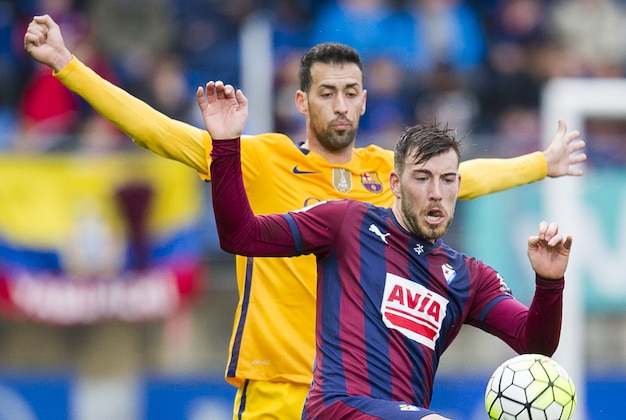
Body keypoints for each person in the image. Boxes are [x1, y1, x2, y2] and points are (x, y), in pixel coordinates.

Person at [24, 14, 585, 419]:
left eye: (350, 93)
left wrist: (540, 163)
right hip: (278, 386)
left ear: (365, 101)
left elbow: (467, 178)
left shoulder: (386, 173)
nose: (340, 105)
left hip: (367, 392)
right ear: (301, 102)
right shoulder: (260, 158)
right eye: (327, 93)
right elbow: (158, 132)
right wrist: (69, 67)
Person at [198, 79, 572, 419]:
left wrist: (549, 282)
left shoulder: (468, 277)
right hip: (338, 408)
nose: (436, 193)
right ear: (395, 182)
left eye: (446, 180)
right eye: (422, 178)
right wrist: (226, 144)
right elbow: (241, 236)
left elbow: (534, 343)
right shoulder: (346, 223)